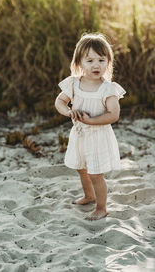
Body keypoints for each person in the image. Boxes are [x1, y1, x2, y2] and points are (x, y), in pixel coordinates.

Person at [55, 33, 126, 221]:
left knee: (96, 173)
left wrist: (90, 121)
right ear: (79, 63)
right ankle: (89, 196)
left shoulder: (108, 89)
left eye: (102, 60)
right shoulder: (73, 84)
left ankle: (101, 207)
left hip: (98, 136)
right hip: (79, 135)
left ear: (108, 63)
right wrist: (69, 112)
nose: (96, 65)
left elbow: (113, 114)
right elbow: (60, 102)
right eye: (90, 60)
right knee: (81, 168)